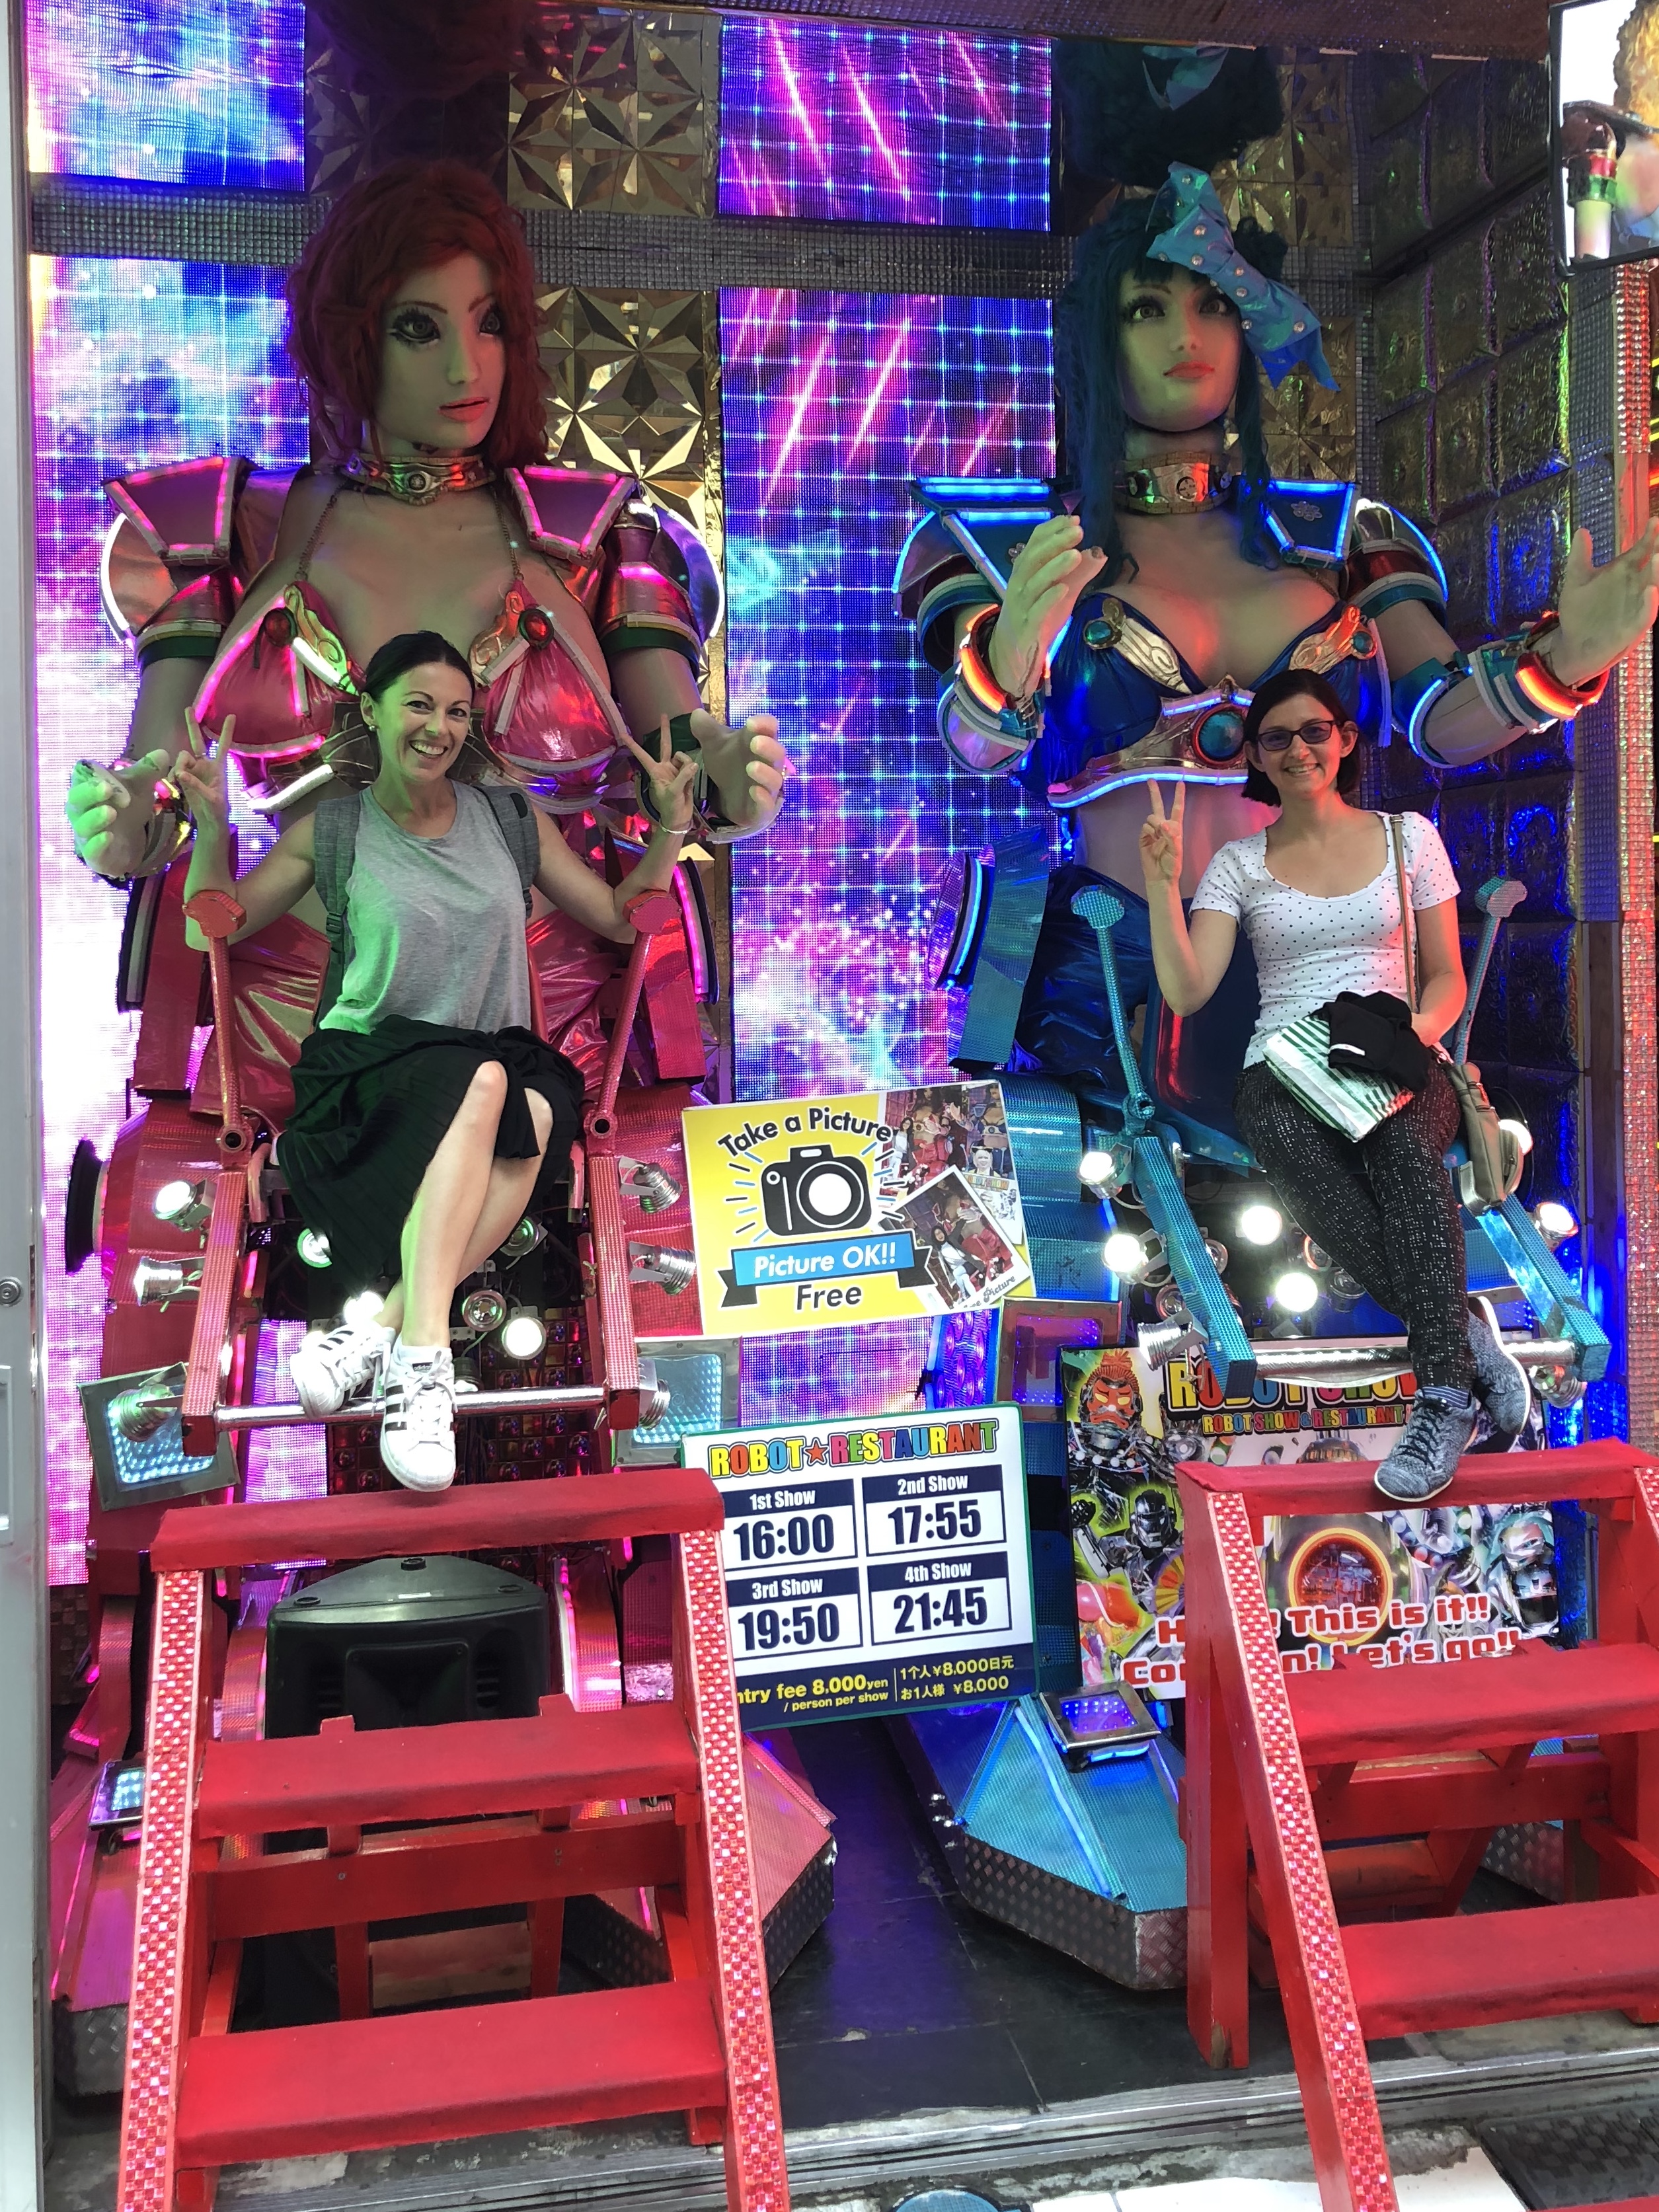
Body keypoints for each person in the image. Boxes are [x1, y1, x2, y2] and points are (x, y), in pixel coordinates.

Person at [898, 43, 1659, 1106]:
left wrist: (1560, 665)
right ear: (1093, 341)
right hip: (1105, 982)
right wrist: (1011, 657)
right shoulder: (1004, 537)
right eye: (1147, 308)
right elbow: (973, 743)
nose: (1187, 335)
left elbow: (1434, 719)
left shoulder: (1337, 534)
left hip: (1320, 970)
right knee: (1105, 1204)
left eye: (1212, 304)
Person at [67, 158, 787, 899]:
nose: (464, 369)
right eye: (419, 328)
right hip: (300, 967)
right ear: (348, 336)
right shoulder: (231, 526)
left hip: (545, 967)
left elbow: (673, 757)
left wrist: (727, 779)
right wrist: (122, 816)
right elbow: (159, 781)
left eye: (489, 323)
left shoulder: (598, 533)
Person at [172, 629, 698, 1493]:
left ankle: (379, 1332)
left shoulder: (508, 819)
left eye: (456, 711)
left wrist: (670, 827)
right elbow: (213, 926)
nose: (439, 727)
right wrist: (208, 826)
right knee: (490, 1086)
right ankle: (425, 1363)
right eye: (418, 705)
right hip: (369, 1066)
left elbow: (616, 913)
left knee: (532, 1107)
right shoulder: (333, 829)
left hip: (495, 1055)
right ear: (371, 710)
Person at [1136, 668, 1532, 1504]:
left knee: (1402, 1151)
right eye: (1275, 737)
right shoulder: (1237, 863)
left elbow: (1445, 976)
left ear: (1344, 739)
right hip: (1280, 1066)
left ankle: (1442, 1397)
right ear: (1255, 755)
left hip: (1395, 1047)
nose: (1297, 749)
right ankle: (1461, 1336)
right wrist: (1162, 885)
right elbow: (1186, 990)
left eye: (1313, 730)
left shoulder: (1408, 837)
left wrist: (1407, 1038)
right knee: (1289, 1149)